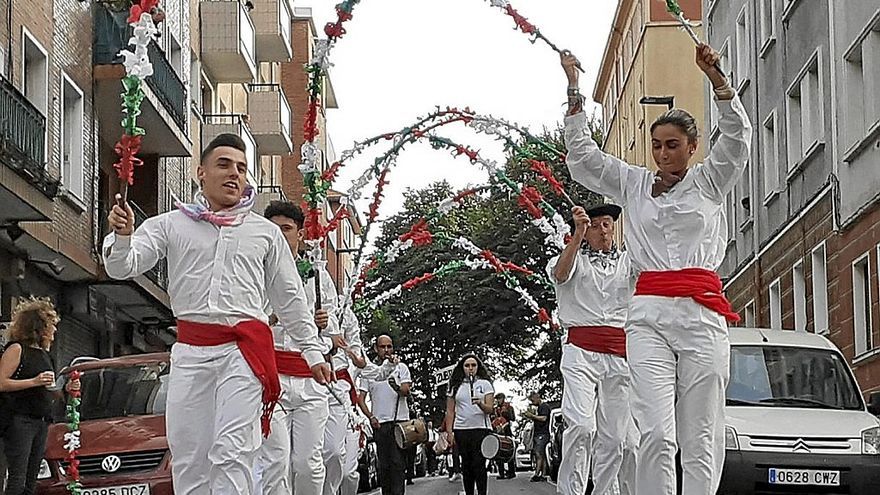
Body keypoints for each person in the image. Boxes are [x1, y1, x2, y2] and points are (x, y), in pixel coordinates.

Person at [561, 43, 752, 494]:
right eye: (657, 145)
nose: (663, 154)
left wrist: (718, 81)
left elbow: (739, 136)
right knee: (655, 433)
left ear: (692, 146)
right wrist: (573, 91)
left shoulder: (710, 181)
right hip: (646, 318)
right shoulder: (633, 184)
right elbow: (585, 159)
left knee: (699, 435)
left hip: (702, 317)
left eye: (672, 146)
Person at [104, 134, 331, 494]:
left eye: (242, 169)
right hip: (191, 353)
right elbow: (124, 266)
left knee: (233, 451)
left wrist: (313, 351)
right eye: (224, 165)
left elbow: (289, 300)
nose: (234, 174)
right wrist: (122, 237)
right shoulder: (170, 224)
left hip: (243, 354)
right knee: (189, 454)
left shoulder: (265, 234)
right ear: (201, 173)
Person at [547, 203, 636, 495]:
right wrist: (577, 234)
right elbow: (560, 275)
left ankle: (606, 491)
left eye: (607, 224)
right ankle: (570, 491)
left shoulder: (628, 262)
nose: (602, 230)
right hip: (580, 351)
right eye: (594, 225)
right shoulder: (572, 259)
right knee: (582, 426)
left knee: (618, 438)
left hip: (619, 354)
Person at [250, 200, 336, 495]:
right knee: (276, 463)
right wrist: (275, 315)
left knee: (308, 465)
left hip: (310, 383)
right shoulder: (255, 274)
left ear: (300, 234)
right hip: (271, 382)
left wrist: (324, 323)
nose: (278, 234)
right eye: (272, 228)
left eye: (286, 229)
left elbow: (335, 335)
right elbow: (247, 320)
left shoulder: (318, 276)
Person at [0, 298, 80, 495]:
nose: (54, 332)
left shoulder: (45, 355)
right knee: (17, 478)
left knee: (31, 479)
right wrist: (34, 381)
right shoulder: (17, 349)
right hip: (20, 420)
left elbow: (50, 390)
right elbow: (2, 382)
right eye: (51, 326)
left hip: (41, 421)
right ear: (38, 327)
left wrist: (68, 388)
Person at [361, 335, 412, 495]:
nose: (387, 350)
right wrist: (371, 417)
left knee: (398, 464)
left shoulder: (401, 367)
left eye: (389, 346)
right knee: (384, 466)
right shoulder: (369, 371)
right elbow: (360, 399)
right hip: (380, 423)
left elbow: (406, 390)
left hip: (399, 422)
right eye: (383, 347)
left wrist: (395, 386)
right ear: (376, 349)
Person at [443, 353, 494, 495]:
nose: (470, 368)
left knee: (479, 464)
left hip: (480, 428)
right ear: (462, 368)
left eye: (473, 365)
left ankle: (482, 492)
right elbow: (450, 411)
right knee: (466, 465)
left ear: (478, 367)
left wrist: (480, 404)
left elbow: (490, 409)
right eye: (467, 365)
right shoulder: (455, 386)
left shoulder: (485, 384)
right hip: (462, 429)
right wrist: (449, 432)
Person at [522, 392, 551, 482]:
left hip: (542, 434)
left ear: (537, 397)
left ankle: (537, 474)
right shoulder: (539, 408)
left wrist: (532, 416)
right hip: (539, 433)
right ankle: (543, 474)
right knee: (541, 454)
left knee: (539, 454)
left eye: (533, 400)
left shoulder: (544, 407)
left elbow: (544, 418)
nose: (532, 402)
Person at [491, 393, 516, 480]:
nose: (498, 400)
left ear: (503, 399)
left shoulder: (509, 407)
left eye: (499, 398)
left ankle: (511, 472)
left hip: (506, 431)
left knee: (509, 451)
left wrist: (506, 414)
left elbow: (513, 418)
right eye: (497, 399)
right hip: (498, 431)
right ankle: (501, 473)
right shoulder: (494, 409)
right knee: (498, 452)